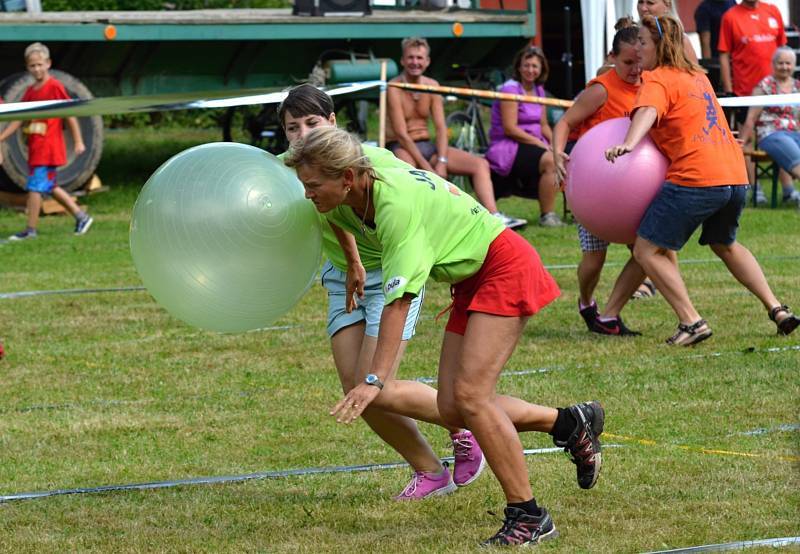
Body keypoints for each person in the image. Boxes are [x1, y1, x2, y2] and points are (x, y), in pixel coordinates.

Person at [285, 125, 604, 547]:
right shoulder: (360, 172)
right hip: (471, 278)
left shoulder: (395, 208)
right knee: (452, 408)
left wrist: (374, 380)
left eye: (312, 185)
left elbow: (399, 303)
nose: (307, 194)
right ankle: (568, 422)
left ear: (346, 178)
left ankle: (528, 515)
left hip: (503, 265)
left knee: (472, 398)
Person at [276, 84, 486, 500]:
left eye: (312, 123)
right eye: (292, 127)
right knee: (356, 393)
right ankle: (430, 472)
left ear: (333, 123)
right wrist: (350, 260)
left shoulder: (370, 160)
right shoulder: (291, 166)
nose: (302, 134)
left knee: (376, 387)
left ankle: (464, 426)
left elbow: (375, 200)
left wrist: (366, 262)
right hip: (343, 277)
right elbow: (326, 204)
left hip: (392, 273)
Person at [605, 15, 800, 345]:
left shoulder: (657, 79)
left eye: (642, 42)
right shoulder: (696, 76)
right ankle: (778, 309)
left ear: (659, 46)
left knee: (646, 249)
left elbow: (648, 112)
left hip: (697, 177)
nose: (637, 48)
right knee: (725, 244)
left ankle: (691, 322)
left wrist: (629, 142)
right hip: (734, 175)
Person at [553, 17, 654, 336]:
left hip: (637, 186)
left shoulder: (652, 87)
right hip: (594, 188)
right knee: (594, 260)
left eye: (639, 62)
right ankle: (586, 302)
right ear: (612, 58)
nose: (635, 69)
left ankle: (612, 314)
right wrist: (557, 153)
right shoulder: (601, 90)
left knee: (648, 252)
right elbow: (565, 122)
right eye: (627, 62)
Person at [386, 37, 526, 230]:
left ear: (427, 62)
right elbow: (401, 134)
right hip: (402, 146)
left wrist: (442, 161)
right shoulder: (394, 88)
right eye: (410, 58)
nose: (415, 62)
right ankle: (421, 223)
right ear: (402, 60)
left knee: (480, 164)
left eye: (420, 58)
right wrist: (429, 169)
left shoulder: (432, 85)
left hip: (428, 144)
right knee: (410, 172)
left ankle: (494, 216)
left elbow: (442, 127)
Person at [0, 42, 92, 240]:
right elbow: (18, 118)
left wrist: (78, 141)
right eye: (32, 66)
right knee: (49, 187)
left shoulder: (54, 86)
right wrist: (1, 137)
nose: (37, 69)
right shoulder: (31, 92)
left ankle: (30, 230)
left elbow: (69, 114)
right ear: (27, 68)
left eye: (40, 64)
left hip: (48, 148)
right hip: (36, 147)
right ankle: (81, 216)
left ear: (48, 63)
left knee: (34, 187)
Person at [485, 45, 564, 227]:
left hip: (532, 143)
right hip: (508, 145)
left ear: (541, 69)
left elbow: (543, 124)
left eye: (535, 66)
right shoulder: (510, 90)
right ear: (518, 67)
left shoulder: (539, 91)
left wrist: (555, 144)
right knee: (550, 161)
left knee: (560, 155)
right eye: (526, 65)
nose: (530, 70)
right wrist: (540, 144)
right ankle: (548, 215)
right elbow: (510, 128)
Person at [737, 47, 800, 206]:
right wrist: (741, 144)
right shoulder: (764, 86)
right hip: (771, 135)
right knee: (788, 147)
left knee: (792, 144)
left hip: (794, 133)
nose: (785, 67)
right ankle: (789, 192)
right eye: (781, 63)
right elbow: (751, 118)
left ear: (794, 65)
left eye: (788, 63)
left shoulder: (797, 86)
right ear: (773, 64)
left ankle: (789, 192)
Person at [637, 0, 700, 64]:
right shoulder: (632, 35)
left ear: (668, 6)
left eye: (650, 3)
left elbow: (694, 72)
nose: (643, 8)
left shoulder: (680, 40)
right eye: (640, 2)